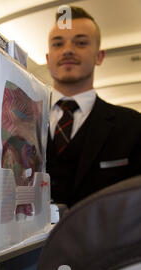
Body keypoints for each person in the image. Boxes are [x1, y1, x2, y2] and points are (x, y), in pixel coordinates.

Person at [45, 6, 141, 208]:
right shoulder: (20, 119)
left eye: (80, 43)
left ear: (99, 56)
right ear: (48, 58)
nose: (68, 50)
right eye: (58, 44)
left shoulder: (133, 126)